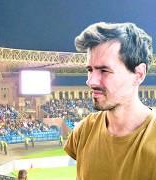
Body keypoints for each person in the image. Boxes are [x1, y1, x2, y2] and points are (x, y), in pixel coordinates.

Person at [64, 22, 156, 180]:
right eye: (90, 70)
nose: (91, 81)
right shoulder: (83, 131)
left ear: (139, 74)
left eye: (104, 70)